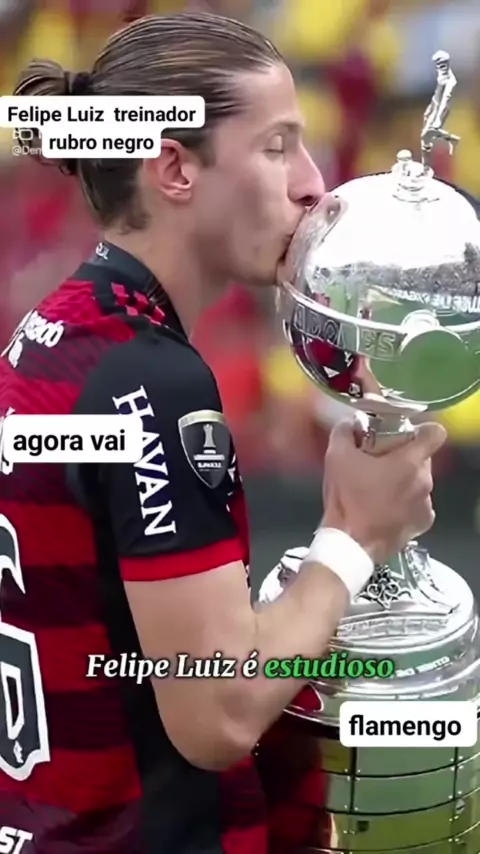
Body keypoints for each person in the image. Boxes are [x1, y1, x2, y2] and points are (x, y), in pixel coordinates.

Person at [0, 12, 446, 854]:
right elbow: (218, 710)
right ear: (175, 167)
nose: (314, 186)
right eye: (278, 147)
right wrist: (353, 536)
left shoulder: (55, 334)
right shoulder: (151, 381)